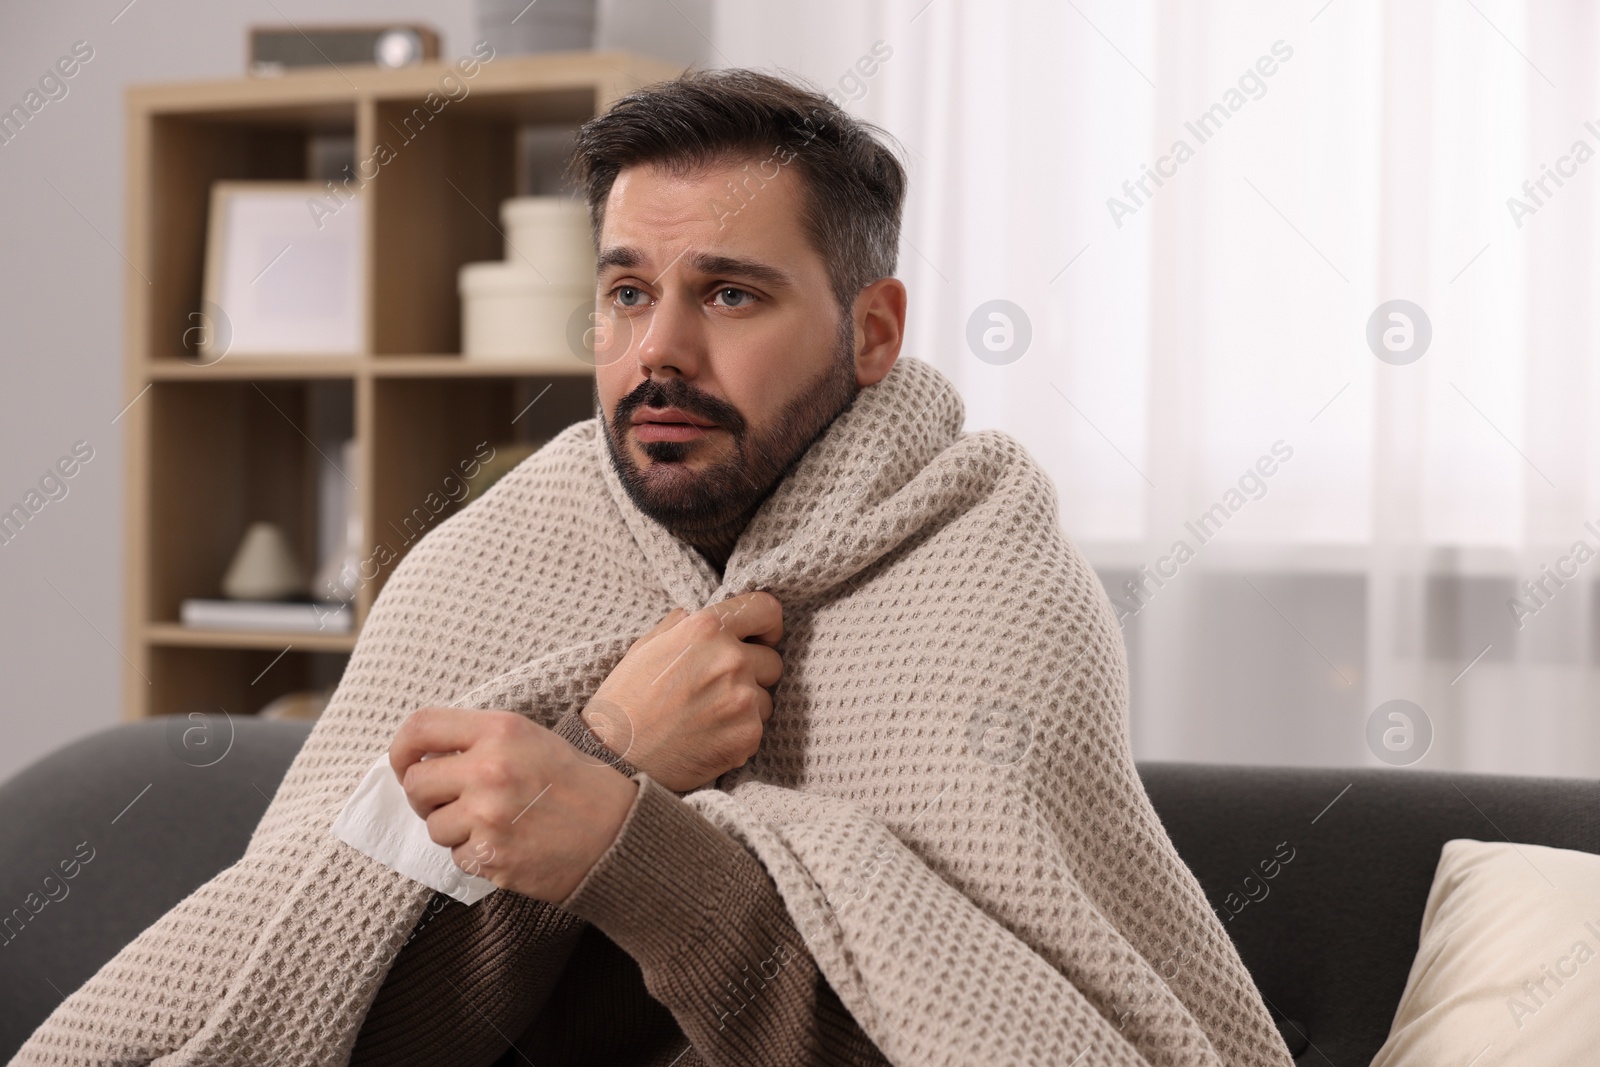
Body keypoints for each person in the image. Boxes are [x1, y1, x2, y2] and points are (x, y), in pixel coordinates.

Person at [12, 70, 1291, 1067]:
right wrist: (611, 748)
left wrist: (628, 847)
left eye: (730, 295)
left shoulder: (987, 583)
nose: (658, 351)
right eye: (628, 293)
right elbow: (348, 1024)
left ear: (872, 330)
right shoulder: (496, 559)